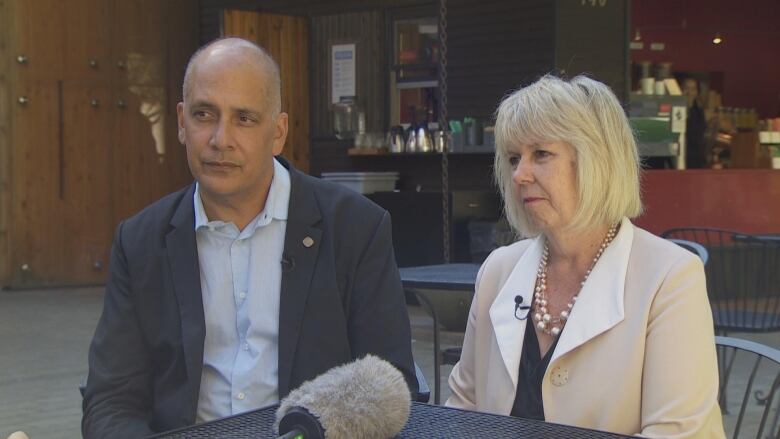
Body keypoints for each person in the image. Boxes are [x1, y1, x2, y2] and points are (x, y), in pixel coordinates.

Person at [82, 37, 417, 438]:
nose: (220, 139)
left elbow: (390, 387)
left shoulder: (356, 229)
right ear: (180, 123)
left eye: (244, 118)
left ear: (278, 132)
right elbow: (111, 400)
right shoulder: (139, 242)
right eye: (204, 114)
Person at [446, 75, 725, 438]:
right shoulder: (498, 270)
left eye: (541, 154)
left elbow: (677, 434)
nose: (519, 174)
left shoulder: (669, 277)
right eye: (514, 158)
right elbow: (462, 411)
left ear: (597, 159)